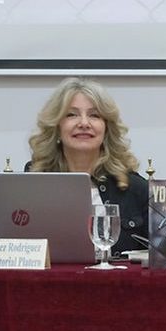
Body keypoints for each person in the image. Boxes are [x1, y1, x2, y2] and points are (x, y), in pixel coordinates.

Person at [27, 77, 148, 257]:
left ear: (106, 129)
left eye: (94, 115)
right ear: (56, 127)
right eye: (71, 114)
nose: (84, 123)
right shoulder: (32, 184)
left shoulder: (136, 190)